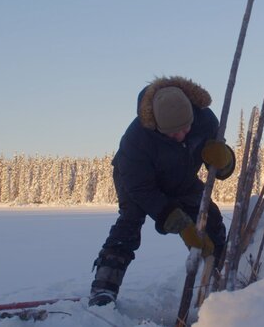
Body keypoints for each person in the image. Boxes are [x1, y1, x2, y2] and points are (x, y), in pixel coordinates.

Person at [89, 76, 236, 306]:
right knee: (130, 222)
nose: (181, 136)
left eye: (185, 129)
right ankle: (104, 288)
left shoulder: (205, 119)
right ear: (156, 126)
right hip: (138, 184)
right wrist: (179, 223)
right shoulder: (136, 139)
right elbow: (142, 190)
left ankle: (218, 276)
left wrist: (225, 160)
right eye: (172, 134)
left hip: (182, 178)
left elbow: (219, 167)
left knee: (211, 220)